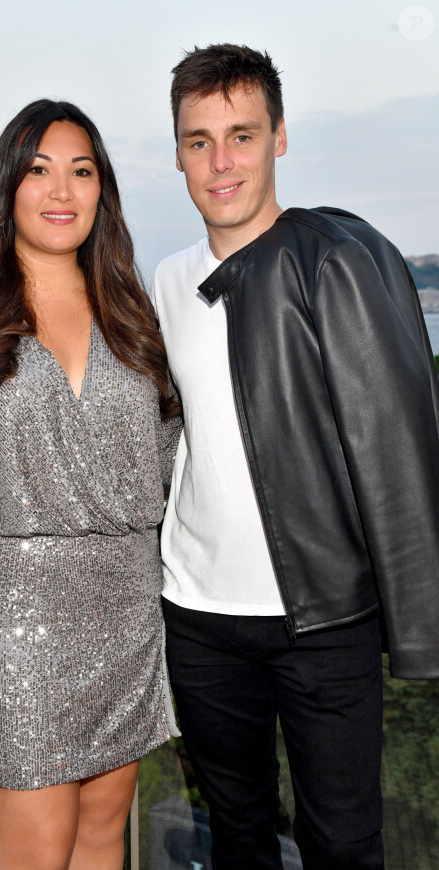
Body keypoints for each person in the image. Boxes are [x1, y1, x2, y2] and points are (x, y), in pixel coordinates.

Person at [152, 43, 439, 870]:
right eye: (199, 140)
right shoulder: (168, 282)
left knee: (344, 845)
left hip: (323, 618)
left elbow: (397, 440)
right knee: (236, 838)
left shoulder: (334, 262)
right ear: (176, 153)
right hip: (197, 617)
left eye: (241, 135)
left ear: (280, 137)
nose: (221, 161)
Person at [0, 98, 180, 870]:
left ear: (103, 191)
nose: (62, 191)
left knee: (100, 836)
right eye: (39, 170)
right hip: (10, 622)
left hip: (126, 609)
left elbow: (164, 459)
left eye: (81, 171)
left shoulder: (133, 315)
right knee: (35, 852)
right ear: (9, 187)